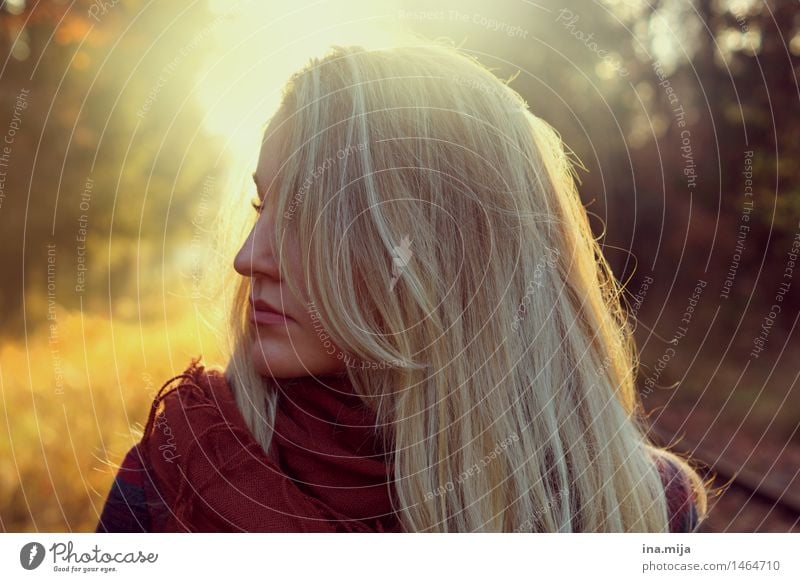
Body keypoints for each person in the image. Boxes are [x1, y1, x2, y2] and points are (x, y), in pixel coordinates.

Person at [96, 43, 707, 532]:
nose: (246, 258)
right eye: (262, 207)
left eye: (312, 218)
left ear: (447, 251)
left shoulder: (640, 515)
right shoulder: (174, 481)